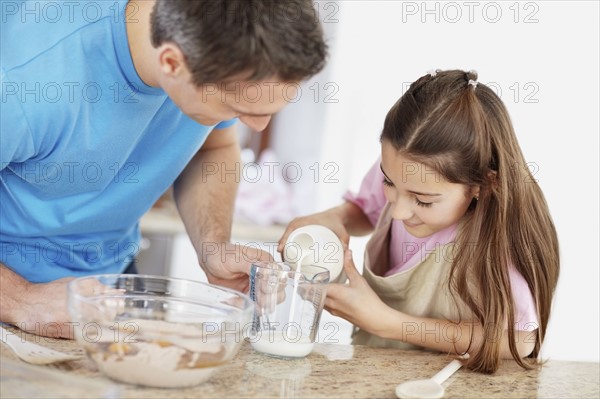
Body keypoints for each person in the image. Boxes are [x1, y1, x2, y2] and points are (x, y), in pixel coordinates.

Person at [0, 0, 327, 338]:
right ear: (172, 63)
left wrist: (214, 245)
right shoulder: (22, 82)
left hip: (109, 286)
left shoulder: (212, 46)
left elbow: (214, 147)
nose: (259, 126)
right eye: (238, 108)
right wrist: (23, 300)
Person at [279, 70, 559, 373]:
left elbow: (520, 341)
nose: (398, 211)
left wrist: (390, 324)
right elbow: (366, 211)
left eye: (423, 200)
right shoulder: (403, 169)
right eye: (388, 183)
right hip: (375, 374)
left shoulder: (500, 239)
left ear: (482, 185)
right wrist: (335, 218)